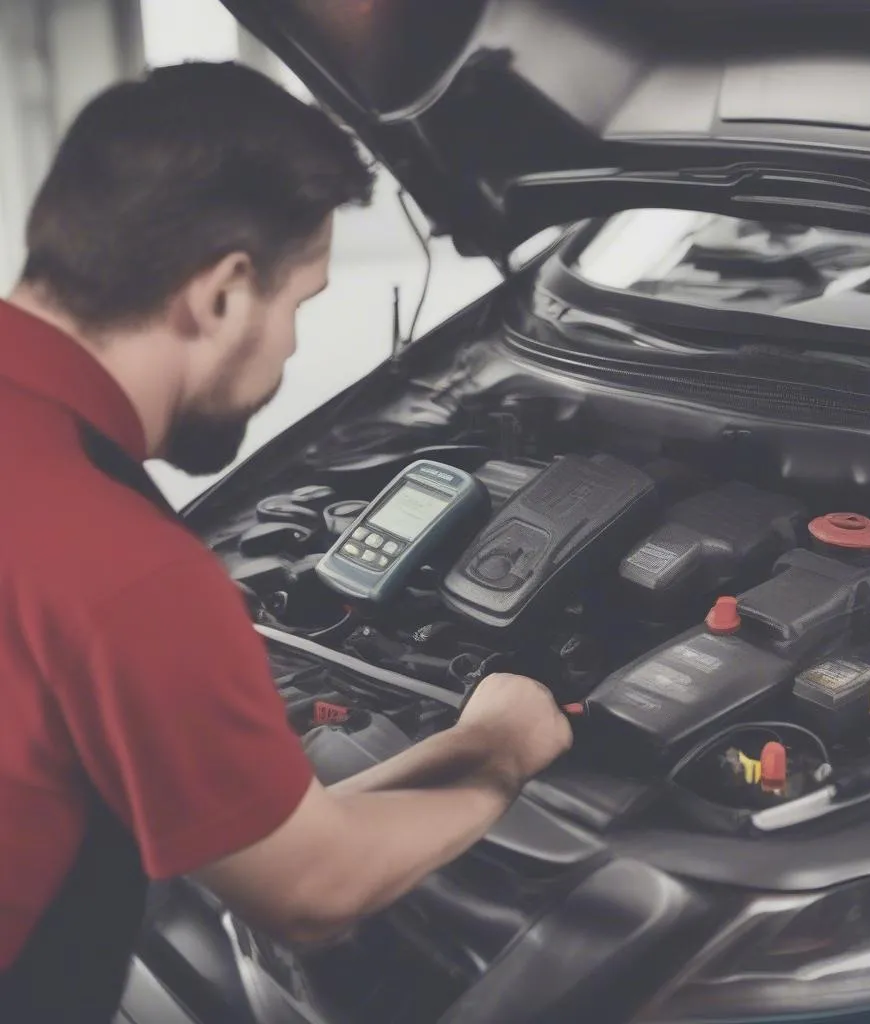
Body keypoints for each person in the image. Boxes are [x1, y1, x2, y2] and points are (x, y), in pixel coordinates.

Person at [0, 61, 573, 1023]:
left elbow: (259, 835)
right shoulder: (124, 569)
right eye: (299, 304)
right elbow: (308, 890)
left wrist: (452, 751)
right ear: (223, 294)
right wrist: (504, 748)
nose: (292, 351)